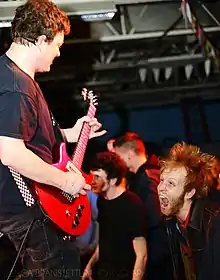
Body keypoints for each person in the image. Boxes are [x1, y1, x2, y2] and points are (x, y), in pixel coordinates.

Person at [0, 1, 106, 279]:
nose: (58, 53)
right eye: (57, 44)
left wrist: (73, 133)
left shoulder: (17, 79)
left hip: (33, 207)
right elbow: (10, 152)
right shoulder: (16, 88)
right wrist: (63, 181)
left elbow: (31, 137)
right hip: (25, 206)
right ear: (41, 40)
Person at [114, 132, 173, 280]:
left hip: (157, 252)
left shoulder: (146, 177)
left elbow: (153, 215)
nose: (117, 161)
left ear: (128, 154)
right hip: (163, 250)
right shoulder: (154, 171)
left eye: (117, 156)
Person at [158, 142, 220, 280]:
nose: (161, 188)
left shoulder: (214, 225)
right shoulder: (172, 224)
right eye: (161, 180)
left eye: (171, 184)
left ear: (189, 192)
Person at [82, 152, 147, 280]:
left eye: (97, 177)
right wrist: (89, 265)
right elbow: (105, 240)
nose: (92, 181)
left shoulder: (132, 204)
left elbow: (142, 255)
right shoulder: (102, 201)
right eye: (92, 176)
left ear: (113, 180)